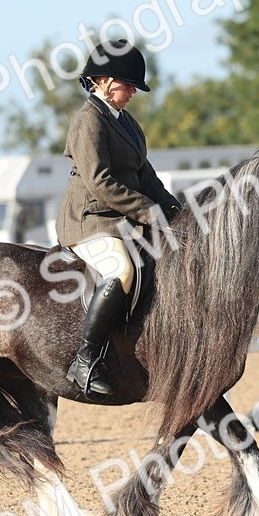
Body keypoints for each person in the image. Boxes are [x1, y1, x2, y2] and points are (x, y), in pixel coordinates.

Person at [56, 40, 181, 397]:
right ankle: (85, 360)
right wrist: (149, 212)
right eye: (127, 86)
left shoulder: (126, 122)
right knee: (121, 270)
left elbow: (147, 178)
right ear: (104, 81)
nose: (131, 94)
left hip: (122, 220)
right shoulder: (88, 121)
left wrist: (177, 213)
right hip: (90, 220)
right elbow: (100, 181)